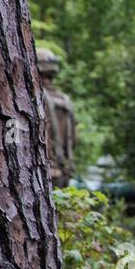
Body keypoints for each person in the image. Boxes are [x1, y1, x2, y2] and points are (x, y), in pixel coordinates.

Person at [36, 47, 76, 187]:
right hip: (64, 172)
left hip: (43, 172)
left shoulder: (35, 99)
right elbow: (73, 138)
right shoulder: (65, 100)